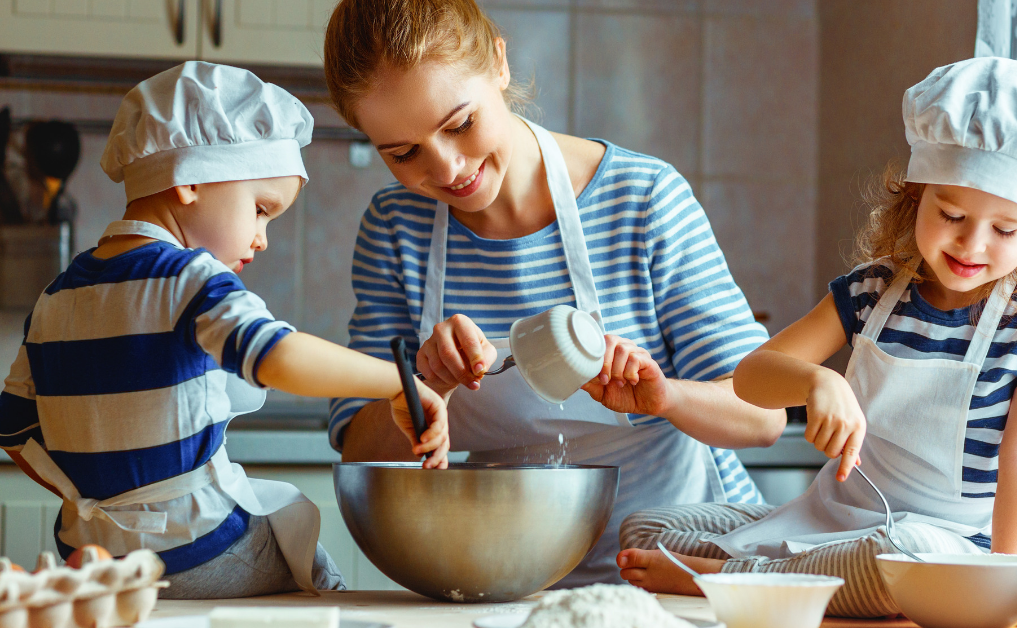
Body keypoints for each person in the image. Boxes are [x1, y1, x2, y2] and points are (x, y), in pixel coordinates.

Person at [322, 0, 788, 586]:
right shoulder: (395, 227)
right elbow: (358, 448)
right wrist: (423, 385)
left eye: (460, 123)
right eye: (403, 152)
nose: (446, 169)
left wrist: (663, 397)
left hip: (684, 568)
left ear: (498, 62)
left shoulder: (642, 199)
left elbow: (763, 416)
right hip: (512, 578)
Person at [616, 57, 1017, 625]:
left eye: (1005, 230)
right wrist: (816, 380)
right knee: (649, 527)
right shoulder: (873, 290)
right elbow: (752, 376)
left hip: (945, 545)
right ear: (915, 196)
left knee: (903, 564)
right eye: (951, 214)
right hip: (836, 521)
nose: (973, 244)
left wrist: (1011, 579)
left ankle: (722, 581)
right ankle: (779, 574)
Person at [0, 61, 449, 599]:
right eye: (261, 209)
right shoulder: (192, 277)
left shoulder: (56, 296)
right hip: (202, 549)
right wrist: (398, 383)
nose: (262, 238)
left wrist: (101, 504)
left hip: (93, 563)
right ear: (188, 179)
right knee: (315, 574)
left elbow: (16, 432)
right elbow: (276, 356)